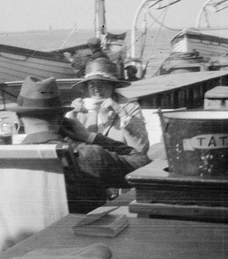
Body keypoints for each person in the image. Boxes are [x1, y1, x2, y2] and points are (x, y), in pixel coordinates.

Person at [9, 76, 151, 213]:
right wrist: (90, 137)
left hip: (24, 237)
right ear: (61, 119)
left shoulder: (2, 160)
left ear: (20, 120)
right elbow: (144, 166)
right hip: (82, 235)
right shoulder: (89, 155)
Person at [66, 58, 149, 154]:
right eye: (92, 85)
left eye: (102, 84)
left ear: (113, 86)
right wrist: (71, 115)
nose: (97, 89)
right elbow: (70, 146)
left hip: (123, 165)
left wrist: (121, 112)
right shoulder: (83, 110)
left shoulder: (129, 107)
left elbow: (141, 148)